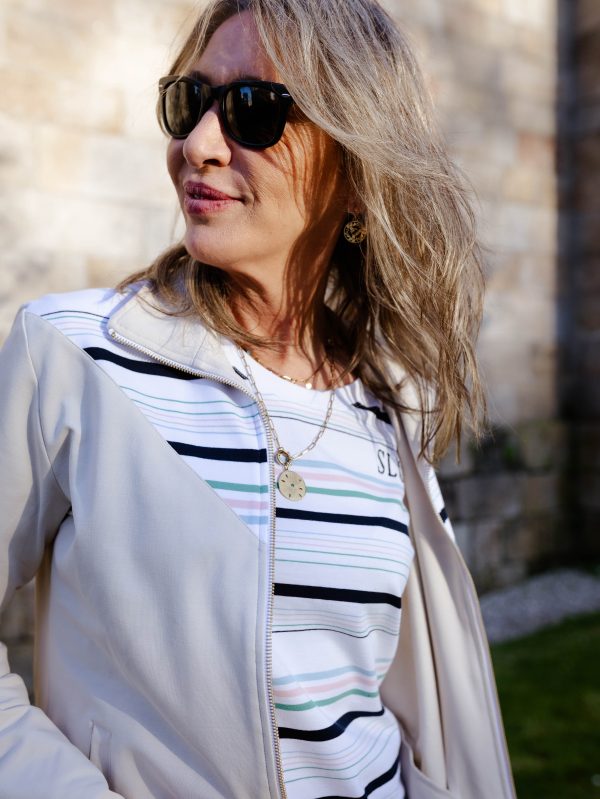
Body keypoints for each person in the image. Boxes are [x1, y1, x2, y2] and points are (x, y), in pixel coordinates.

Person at [0, 1, 516, 797]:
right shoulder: (71, 354)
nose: (198, 145)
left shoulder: (390, 406)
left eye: (253, 108)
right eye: (190, 101)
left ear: (355, 171)